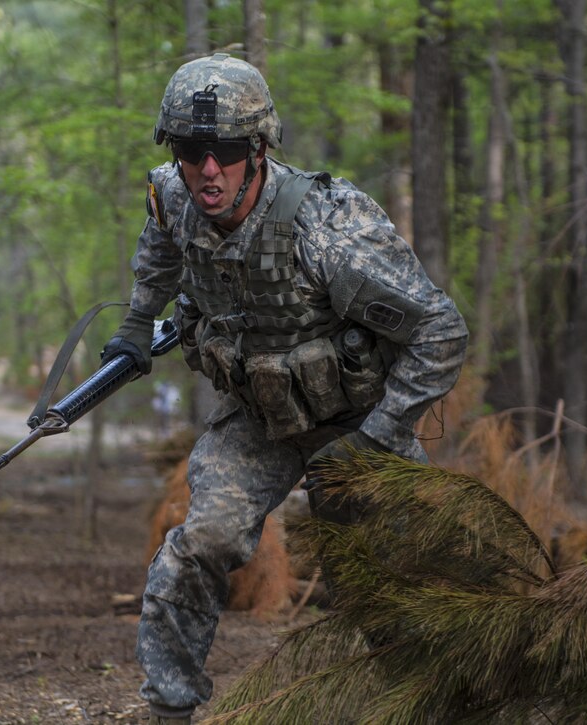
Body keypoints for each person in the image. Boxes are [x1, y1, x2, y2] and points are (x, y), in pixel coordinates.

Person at [100, 53, 468, 724]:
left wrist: (380, 434)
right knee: (201, 540)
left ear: (260, 146)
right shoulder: (172, 195)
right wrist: (134, 322)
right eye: (191, 148)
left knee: (387, 573)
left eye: (228, 150)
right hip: (258, 418)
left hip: (356, 420)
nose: (208, 168)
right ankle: (168, 707)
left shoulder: (326, 227)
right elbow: (161, 247)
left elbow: (441, 330)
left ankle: (427, 701)